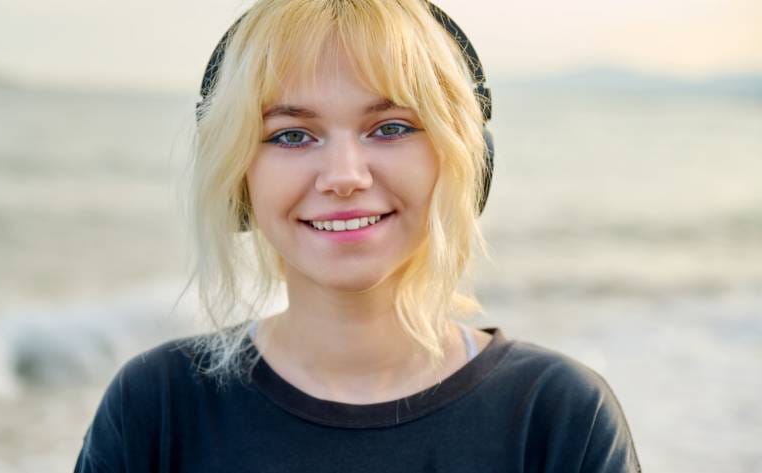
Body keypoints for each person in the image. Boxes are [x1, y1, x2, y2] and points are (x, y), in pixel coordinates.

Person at [74, 0, 642, 471]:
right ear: (238, 176)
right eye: (292, 135)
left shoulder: (557, 415)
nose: (345, 176)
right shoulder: (158, 405)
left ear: (462, 159)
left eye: (390, 128)